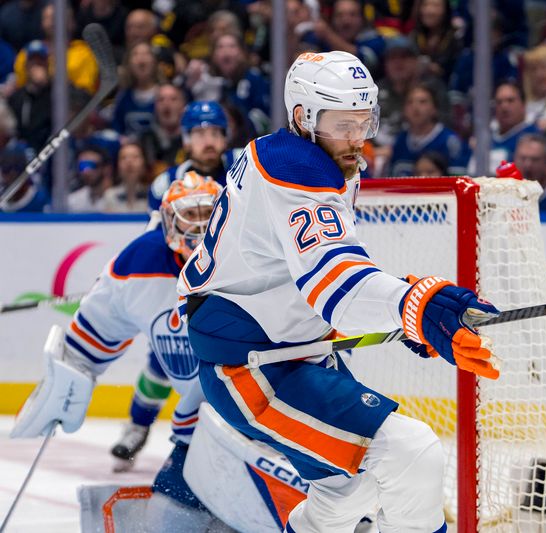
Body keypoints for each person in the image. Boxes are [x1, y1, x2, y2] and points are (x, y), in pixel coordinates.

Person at [178, 51, 499, 532]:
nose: (357, 138)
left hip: (292, 350)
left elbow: (331, 265)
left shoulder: (309, 154)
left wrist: (403, 302)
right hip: (251, 368)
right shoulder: (294, 168)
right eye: (343, 123)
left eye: (364, 121)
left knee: (351, 489)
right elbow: (335, 284)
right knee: (412, 455)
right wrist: (410, 306)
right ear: (303, 117)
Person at [11, 173, 228, 526]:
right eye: (191, 216)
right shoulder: (138, 264)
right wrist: (64, 384)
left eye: (209, 216)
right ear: (167, 222)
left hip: (273, 421)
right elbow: (88, 344)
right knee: (172, 518)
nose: (199, 228)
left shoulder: (252, 255)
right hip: (200, 431)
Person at [148, 100, 237, 212]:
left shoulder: (243, 169)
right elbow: (156, 228)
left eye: (215, 133)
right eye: (200, 134)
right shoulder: (167, 184)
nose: (209, 142)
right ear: (186, 141)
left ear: (225, 139)